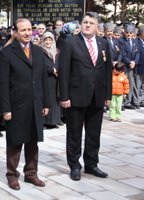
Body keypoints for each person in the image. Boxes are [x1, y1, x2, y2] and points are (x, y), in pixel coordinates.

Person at [59, 12, 112, 181]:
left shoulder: (103, 43)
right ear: (81, 24)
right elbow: (64, 72)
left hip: (97, 96)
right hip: (76, 96)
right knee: (74, 133)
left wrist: (108, 95)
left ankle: (91, 164)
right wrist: (64, 96)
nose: (87, 25)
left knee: (94, 133)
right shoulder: (70, 43)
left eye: (91, 23)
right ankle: (74, 165)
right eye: (85, 22)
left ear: (97, 26)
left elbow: (107, 71)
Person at [0, 18, 50, 190]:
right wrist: (5, 109)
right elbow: (3, 84)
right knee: (15, 142)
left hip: (35, 103)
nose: (28, 33)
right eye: (23, 30)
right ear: (15, 32)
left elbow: (43, 79)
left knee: (33, 141)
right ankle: (12, 175)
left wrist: (46, 102)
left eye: (30, 30)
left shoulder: (37, 50)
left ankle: (31, 173)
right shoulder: (7, 53)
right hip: (16, 105)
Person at [41, 31, 61, 129]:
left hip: (55, 78)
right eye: (46, 40)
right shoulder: (40, 51)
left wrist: (57, 69)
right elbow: (41, 64)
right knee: (46, 98)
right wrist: (51, 69)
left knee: (55, 99)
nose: (48, 42)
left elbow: (59, 62)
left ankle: (53, 121)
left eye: (50, 40)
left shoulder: (57, 51)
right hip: (46, 78)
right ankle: (44, 122)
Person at [120, 24, 140, 109]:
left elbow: (138, 53)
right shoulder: (122, 41)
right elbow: (122, 53)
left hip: (132, 67)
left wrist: (135, 62)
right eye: (127, 32)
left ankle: (128, 102)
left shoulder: (135, 42)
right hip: (125, 66)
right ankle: (121, 103)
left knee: (131, 85)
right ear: (124, 32)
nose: (129, 34)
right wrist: (129, 62)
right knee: (122, 84)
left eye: (131, 32)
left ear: (133, 33)